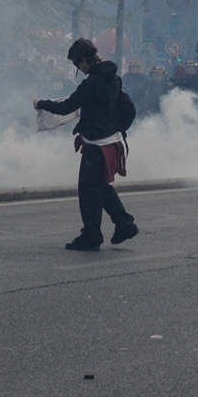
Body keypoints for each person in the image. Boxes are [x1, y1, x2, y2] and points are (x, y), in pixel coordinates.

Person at [34, 37, 138, 251]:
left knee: (88, 191)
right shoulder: (113, 78)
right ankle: (124, 224)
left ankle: (92, 235)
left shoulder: (92, 83)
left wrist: (41, 104)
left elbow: (67, 107)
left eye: (76, 64)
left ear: (83, 60)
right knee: (101, 187)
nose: (77, 69)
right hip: (110, 140)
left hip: (96, 144)